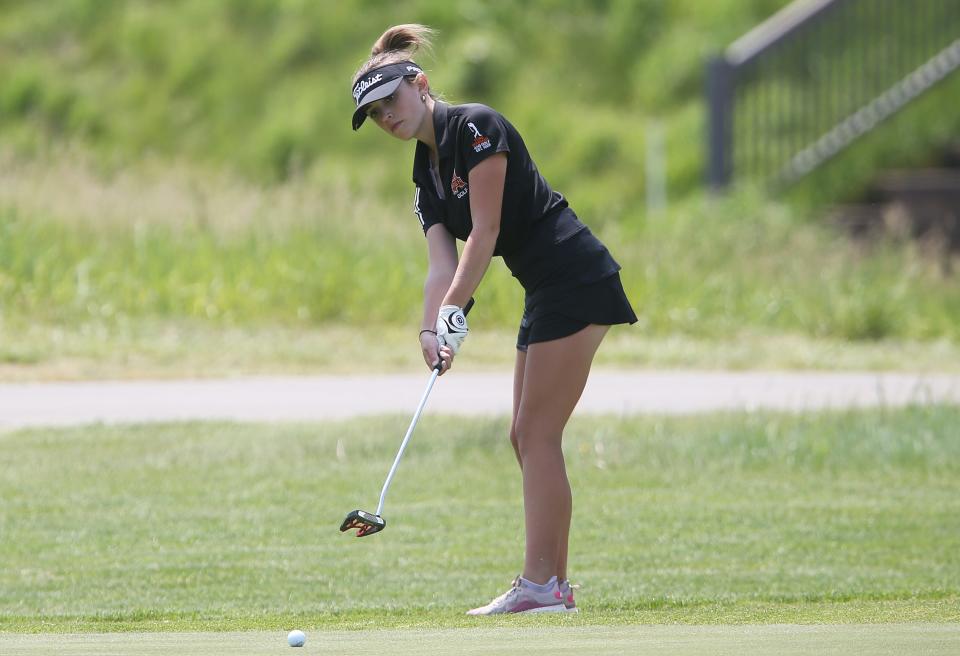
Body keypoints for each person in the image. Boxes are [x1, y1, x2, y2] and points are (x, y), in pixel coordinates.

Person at [350, 24, 636, 615]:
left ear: (420, 84)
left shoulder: (476, 126)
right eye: (374, 116)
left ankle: (539, 587)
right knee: (525, 435)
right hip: (545, 289)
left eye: (390, 103)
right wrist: (432, 330)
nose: (387, 119)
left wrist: (456, 308)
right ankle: (552, 587)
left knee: (536, 433)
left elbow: (486, 230)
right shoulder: (423, 173)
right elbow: (441, 264)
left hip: (576, 276)